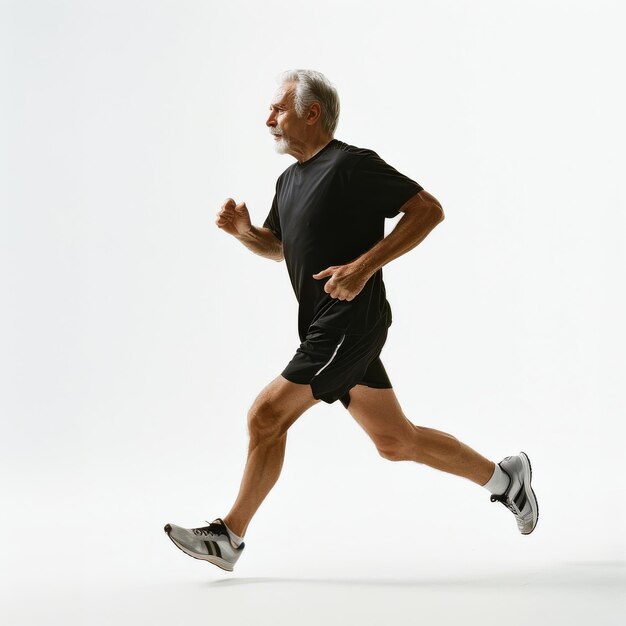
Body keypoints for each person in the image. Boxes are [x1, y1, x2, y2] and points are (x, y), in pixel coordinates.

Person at [164, 69, 539, 572]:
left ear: (311, 112)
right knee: (396, 441)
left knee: (266, 416)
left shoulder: (351, 165)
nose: (268, 119)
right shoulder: (289, 180)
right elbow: (280, 248)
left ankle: (229, 535)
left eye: (278, 108)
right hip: (326, 327)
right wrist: (244, 232)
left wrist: (364, 267)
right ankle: (505, 480)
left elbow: (428, 210)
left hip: (348, 323)